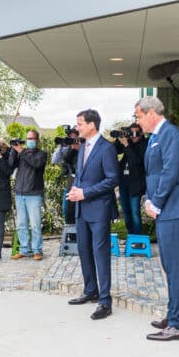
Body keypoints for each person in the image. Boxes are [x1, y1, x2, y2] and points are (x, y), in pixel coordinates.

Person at [136, 96, 179, 342]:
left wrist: (155, 202)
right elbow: (153, 174)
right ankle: (173, 314)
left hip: (173, 209)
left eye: (139, 116)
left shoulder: (171, 135)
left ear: (151, 113)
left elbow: (170, 172)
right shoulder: (157, 136)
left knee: (175, 267)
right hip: (165, 209)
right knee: (169, 265)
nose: (137, 122)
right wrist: (148, 199)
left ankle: (178, 325)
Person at [66, 109, 119, 320]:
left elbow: (112, 179)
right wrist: (75, 190)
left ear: (91, 125)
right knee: (84, 250)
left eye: (80, 123)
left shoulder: (107, 148)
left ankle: (105, 301)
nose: (77, 127)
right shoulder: (82, 148)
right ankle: (90, 291)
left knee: (100, 253)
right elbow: (80, 176)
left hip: (99, 210)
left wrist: (85, 193)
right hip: (81, 209)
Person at [9, 129, 48, 261]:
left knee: (35, 224)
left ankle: (37, 250)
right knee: (21, 224)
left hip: (34, 194)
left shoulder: (42, 154)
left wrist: (22, 151)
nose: (29, 141)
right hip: (20, 193)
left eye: (32, 138)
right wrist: (13, 150)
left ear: (37, 140)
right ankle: (24, 249)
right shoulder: (21, 153)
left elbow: (36, 163)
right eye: (28, 139)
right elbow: (11, 164)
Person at [114, 123, 147, 235]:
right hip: (123, 182)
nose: (133, 136)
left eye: (136, 133)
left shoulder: (144, 144)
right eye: (131, 133)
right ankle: (131, 235)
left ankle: (138, 238)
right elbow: (115, 150)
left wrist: (127, 145)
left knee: (135, 212)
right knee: (126, 212)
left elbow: (137, 161)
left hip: (136, 184)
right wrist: (120, 137)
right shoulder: (128, 143)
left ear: (141, 133)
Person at [52, 128, 81, 224]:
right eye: (70, 137)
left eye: (74, 137)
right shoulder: (66, 149)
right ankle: (70, 231)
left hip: (80, 186)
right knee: (67, 211)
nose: (72, 139)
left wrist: (78, 147)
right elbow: (55, 160)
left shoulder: (83, 147)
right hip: (70, 185)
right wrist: (61, 145)